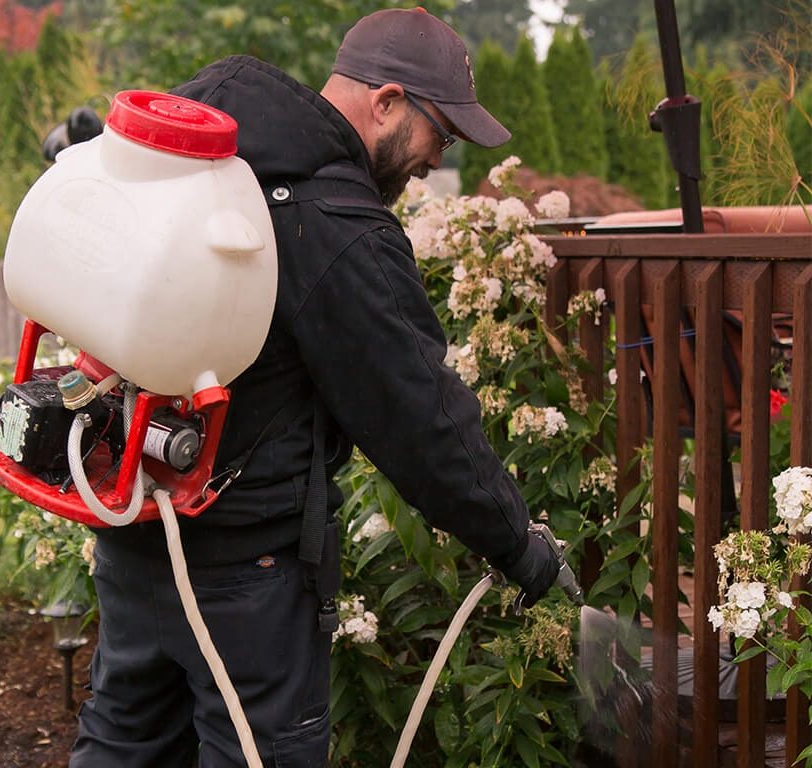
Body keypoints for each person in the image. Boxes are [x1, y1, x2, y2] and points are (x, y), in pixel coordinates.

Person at [69, 8, 561, 767]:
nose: (438, 156)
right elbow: (417, 416)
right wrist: (517, 548)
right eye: (442, 132)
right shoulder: (334, 222)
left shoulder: (198, 170)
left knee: (124, 748)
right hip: (247, 578)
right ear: (388, 101)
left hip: (136, 535)